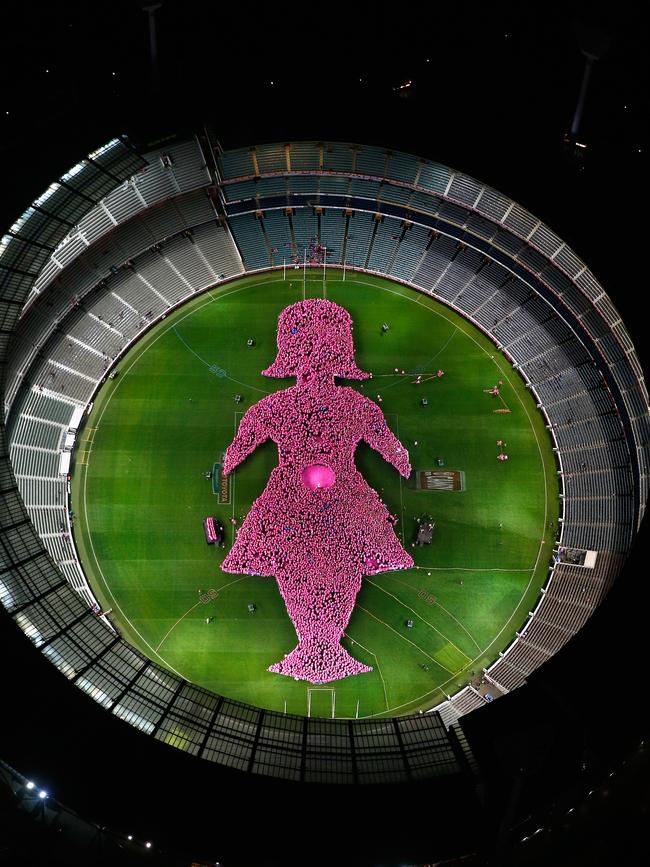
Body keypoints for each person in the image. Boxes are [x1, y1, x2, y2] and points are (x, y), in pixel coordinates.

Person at [221, 299, 412, 684]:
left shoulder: (274, 405)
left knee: (310, 566)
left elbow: (240, 444)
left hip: (304, 496)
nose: (314, 373)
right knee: (332, 566)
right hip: (334, 496)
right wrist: (401, 464)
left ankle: (319, 647)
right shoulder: (351, 404)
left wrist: (231, 461)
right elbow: (390, 448)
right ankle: (316, 646)